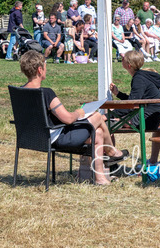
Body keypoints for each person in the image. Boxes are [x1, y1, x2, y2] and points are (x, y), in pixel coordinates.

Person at [19, 50, 126, 185]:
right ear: (40, 70)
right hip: (57, 138)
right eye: (45, 67)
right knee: (98, 115)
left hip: (33, 138)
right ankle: (111, 151)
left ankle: (100, 179)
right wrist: (79, 113)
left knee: (98, 134)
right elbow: (68, 119)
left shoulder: (20, 92)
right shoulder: (45, 93)